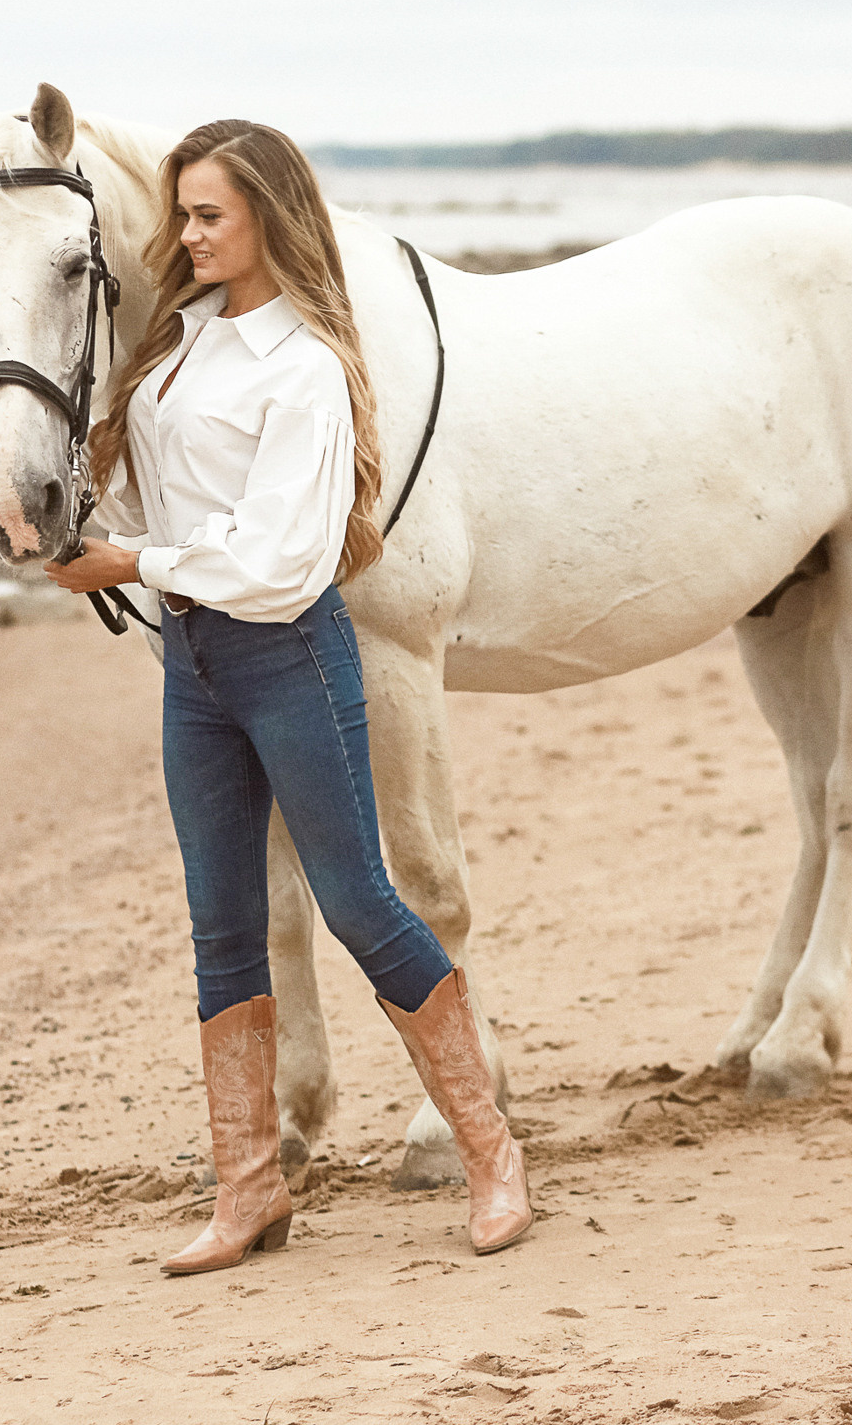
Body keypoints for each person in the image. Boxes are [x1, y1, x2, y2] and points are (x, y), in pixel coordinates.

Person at [46, 120, 530, 1274]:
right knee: (224, 924)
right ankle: (250, 1187)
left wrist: (133, 563)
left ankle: (492, 1148)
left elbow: (279, 562)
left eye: (211, 214)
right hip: (197, 667)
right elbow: (156, 500)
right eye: (183, 215)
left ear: (269, 215)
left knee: (360, 903)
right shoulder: (174, 351)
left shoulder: (305, 365)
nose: (189, 234)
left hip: (286, 654)